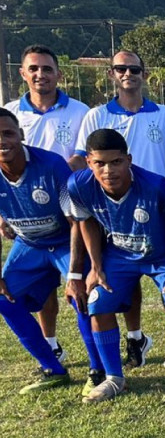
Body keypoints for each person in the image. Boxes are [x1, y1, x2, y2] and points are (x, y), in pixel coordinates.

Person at [73, 50, 165, 369]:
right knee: (125, 280)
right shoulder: (96, 116)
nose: (127, 73)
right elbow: (83, 160)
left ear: (144, 74)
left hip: (159, 211)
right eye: (120, 68)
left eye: (134, 68)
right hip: (114, 215)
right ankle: (135, 338)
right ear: (111, 73)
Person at [65, 129, 165, 404]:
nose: (108, 170)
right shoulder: (78, 185)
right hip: (120, 255)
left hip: (162, 256)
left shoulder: (156, 186)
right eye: (99, 163)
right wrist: (95, 266)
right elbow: (86, 220)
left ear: (129, 160)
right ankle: (114, 378)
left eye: (116, 162)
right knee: (98, 302)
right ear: (89, 162)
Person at [3, 45, 90, 364]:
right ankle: (50, 343)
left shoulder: (80, 110)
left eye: (47, 68)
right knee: (40, 287)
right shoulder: (11, 111)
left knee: (79, 284)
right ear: (23, 73)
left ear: (58, 73)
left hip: (69, 214)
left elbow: (81, 160)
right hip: (27, 218)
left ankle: (100, 359)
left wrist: (63, 169)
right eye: (33, 68)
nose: (40, 74)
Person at [0, 107, 97, 393]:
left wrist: (76, 273)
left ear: (21, 135)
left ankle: (98, 370)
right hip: (29, 244)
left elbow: (77, 221)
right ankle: (52, 368)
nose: (2, 141)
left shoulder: (51, 164)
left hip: (65, 240)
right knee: (5, 300)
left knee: (84, 297)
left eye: (7, 133)